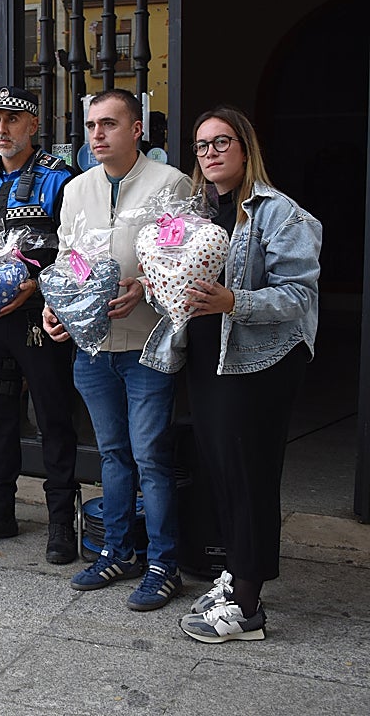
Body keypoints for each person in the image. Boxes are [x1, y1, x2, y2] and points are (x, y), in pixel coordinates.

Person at [140, 107, 321, 642]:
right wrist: (158, 286)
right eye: (201, 146)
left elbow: (298, 296)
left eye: (222, 142)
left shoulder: (278, 214)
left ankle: (248, 608)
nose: (210, 152)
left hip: (257, 363)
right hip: (205, 358)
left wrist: (232, 300)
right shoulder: (192, 212)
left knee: (250, 477)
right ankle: (236, 574)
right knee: (220, 470)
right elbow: (172, 276)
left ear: (245, 148)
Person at [42, 88, 191, 611]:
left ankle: (163, 563)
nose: (98, 135)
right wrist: (54, 307)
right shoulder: (77, 188)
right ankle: (118, 549)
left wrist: (145, 286)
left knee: (151, 456)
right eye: (91, 126)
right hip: (93, 349)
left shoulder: (170, 184)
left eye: (109, 124)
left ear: (136, 129)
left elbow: (187, 260)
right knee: (112, 454)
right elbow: (67, 261)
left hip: (148, 345)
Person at [0, 86, 80, 565]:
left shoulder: (60, 179)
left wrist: (39, 284)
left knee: (52, 417)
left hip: (39, 319)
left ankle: (62, 521)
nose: (2, 129)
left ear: (33, 125)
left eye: (12, 119)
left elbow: (77, 249)